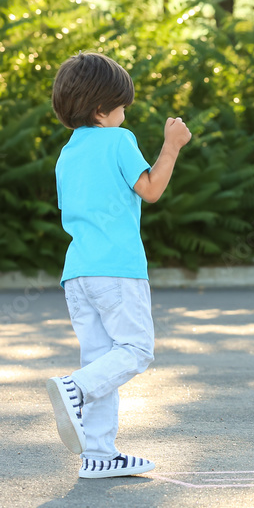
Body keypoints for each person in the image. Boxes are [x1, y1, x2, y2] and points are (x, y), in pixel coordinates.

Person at [46, 51, 192, 478]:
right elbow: (150, 189)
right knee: (135, 350)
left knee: (101, 360)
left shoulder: (67, 154)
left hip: (78, 274)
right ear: (101, 109)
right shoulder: (119, 140)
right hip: (118, 269)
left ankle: (99, 454)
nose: (125, 113)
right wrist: (171, 146)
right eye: (123, 106)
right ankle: (74, 388)